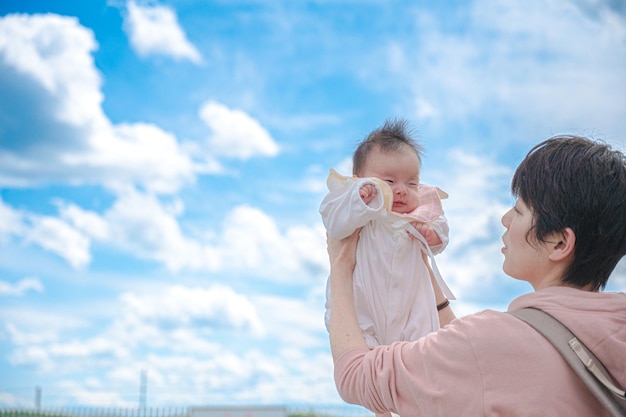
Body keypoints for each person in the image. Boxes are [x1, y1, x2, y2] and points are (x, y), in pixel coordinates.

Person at [327, 135, 626, 416]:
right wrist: (428, 280)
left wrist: (340, 268)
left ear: (559, 243)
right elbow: (478, 361)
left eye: (519, 211)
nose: (505, 219)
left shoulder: (487, 344)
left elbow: (356, 376)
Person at [320, 118, 455, 349]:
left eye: (412, 183)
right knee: (362, 347)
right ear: (358, 180)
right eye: (389, 181)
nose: (401, 190)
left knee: (423, 343)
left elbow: (440, 231)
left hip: (411, 308)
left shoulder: (419, 213)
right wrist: (358, 200)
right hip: (362, 301)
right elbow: (334, 223)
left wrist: (432, 235)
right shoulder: (355, 205)